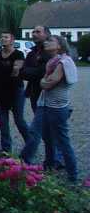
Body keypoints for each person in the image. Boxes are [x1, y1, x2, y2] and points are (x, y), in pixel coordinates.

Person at [23, 35, 79, 182]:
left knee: (62, 140)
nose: (46, 42)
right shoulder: (53, 61)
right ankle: (38, 165)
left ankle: (73, 175)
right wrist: (45, 81)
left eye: (50, 41)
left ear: (59, 46)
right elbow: (48, 80)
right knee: (40, 134)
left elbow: (49, 83)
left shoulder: (62, 62)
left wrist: (43, 81)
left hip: (57, 106)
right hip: (45, 104)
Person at [0, 31, 29, 153]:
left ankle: (31, 143)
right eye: (1, 37)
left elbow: (15, 72)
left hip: (15, 89)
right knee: (3, 122)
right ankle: (6, 148)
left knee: (19, 120)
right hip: (0, 90)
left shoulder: (18, 54)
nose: (3, 39)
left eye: (6, 37)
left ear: (12, 40)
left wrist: (0, 71)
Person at [21, 25, 52, 114]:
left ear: (47, 35)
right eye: (33, 32)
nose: (34, 34)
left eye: (38, 32)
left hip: (48, 93)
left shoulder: (51, 52)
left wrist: (32, 71)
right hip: (34, 92)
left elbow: (43, 72)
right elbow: (23, 73)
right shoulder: (32, 53)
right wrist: (35, 71)